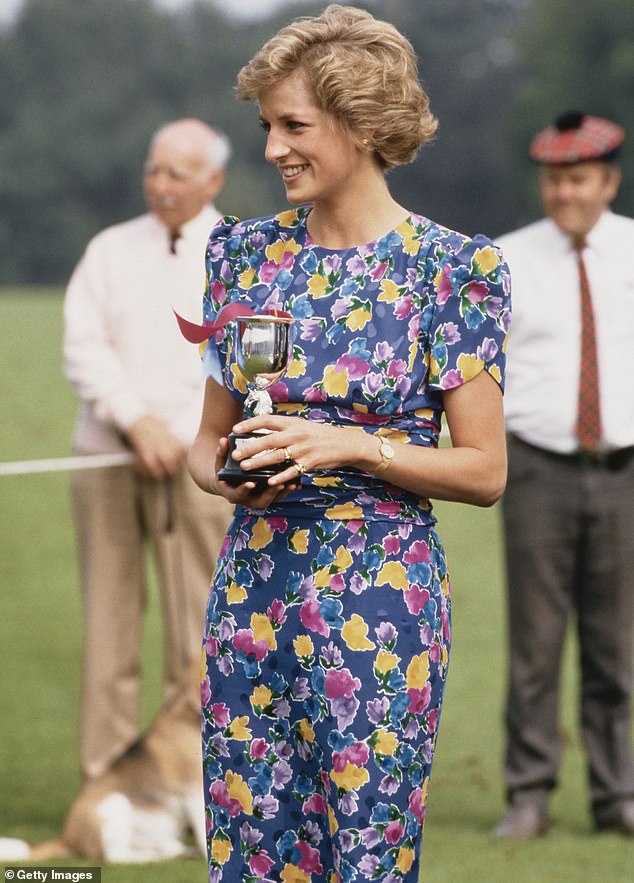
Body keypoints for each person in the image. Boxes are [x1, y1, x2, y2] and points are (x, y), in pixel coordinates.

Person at [187, 6, 510, 881]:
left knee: (364, 854)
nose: (271, 150)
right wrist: (232, 476)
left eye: (295, 126)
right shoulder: (243, 257)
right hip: (251, 593)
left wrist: (351, 447)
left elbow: (485, 470)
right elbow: (204, 443)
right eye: (267, 127)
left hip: (379, 607)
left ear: (363, 126)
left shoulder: (450, 270)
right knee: (252, 851)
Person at [64, 118, 234, 781]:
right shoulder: (109, 248)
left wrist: (187, 433)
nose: (160, 186)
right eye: (154, 171)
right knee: (109, 625)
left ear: (213, 181)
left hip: (201, 464)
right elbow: (84, 345)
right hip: (107, 457)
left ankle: (197, 784)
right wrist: (135, 422)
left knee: (200, 632)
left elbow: (238, 358)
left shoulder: (236, 250)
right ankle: (109, 782)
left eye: (178, 174)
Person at [493, 111, 634, 839]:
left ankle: (618, 795)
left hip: (622, 472)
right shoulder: (508, 260)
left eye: (577, 178)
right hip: (538, 471)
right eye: (554, 179)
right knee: (535, 645)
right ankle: (528, 793)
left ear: (608, 180)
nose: (564, 192)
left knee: (617, 647)